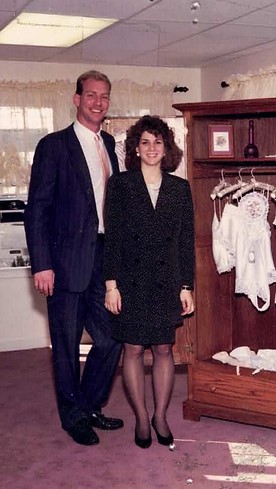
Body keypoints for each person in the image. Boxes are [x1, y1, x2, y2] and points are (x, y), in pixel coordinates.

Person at [24, 70, 124, 446]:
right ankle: (73, 417)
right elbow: (37, 209)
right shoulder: (54, 146)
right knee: (65, 343)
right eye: (92, 95)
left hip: (104, 258)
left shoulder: (110, 143)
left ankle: (89, 404)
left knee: (111, 336)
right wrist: (42, 263)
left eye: (105, 97)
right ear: (77, 99)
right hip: (64, 262)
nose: (98, 102)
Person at [103, 115, 195, 449]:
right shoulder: (120, 185)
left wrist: (187, 286)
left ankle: (160, 416)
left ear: (166, 147)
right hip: (130, 281)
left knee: (163, 348)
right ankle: (141, 417)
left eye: (158, 142)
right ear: (135, 148)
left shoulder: (180, 189)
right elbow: (111, 239)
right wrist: (111, 286)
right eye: (145, 142)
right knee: (133, 349)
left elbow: (185, 242)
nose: (151, 148)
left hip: (165, 282)